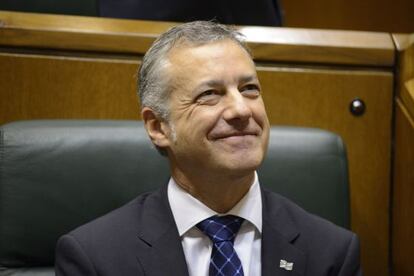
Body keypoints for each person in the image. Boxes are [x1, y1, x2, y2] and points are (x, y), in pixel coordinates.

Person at [55, 21, 362, 276]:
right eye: (210, 94)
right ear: (158, 127)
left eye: (249, 89)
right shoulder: (94, 257)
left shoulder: (332, 253)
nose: (241, 110)